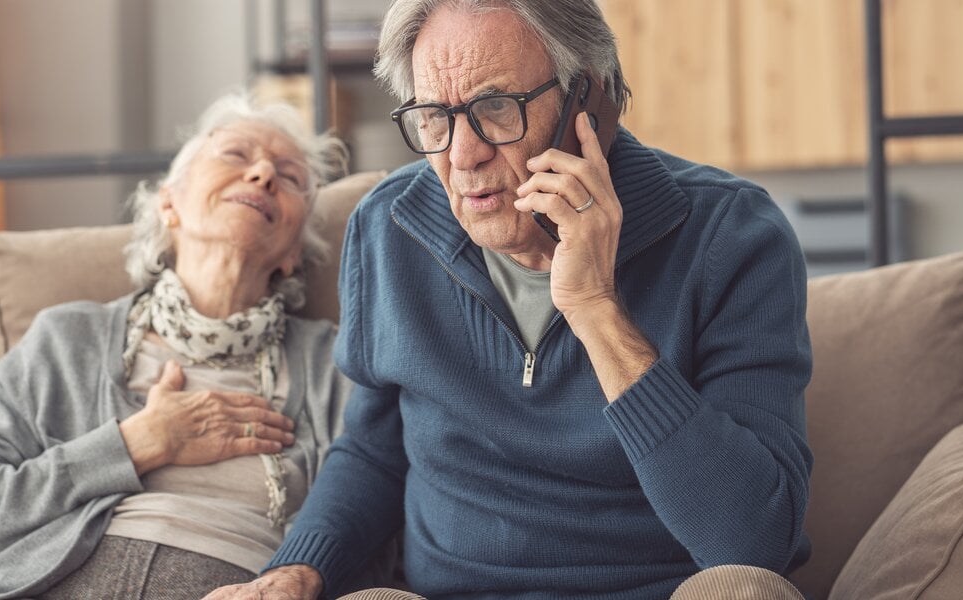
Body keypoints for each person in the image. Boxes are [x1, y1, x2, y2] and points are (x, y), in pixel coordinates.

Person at [207, 1, 813, 598]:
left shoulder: (731, 234)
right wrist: (294, 572)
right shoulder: (387, 230)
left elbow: (752, 541)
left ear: (588, 103)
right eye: (433, 117)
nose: (462, 155)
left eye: (495, 108)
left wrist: (597, 307)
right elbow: (373, 453)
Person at [0, 91, 364, 599]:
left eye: (289, 178)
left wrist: (295, 577)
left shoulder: (333, 368)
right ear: (169, 202)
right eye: (235, 155)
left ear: (294, 252)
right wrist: (139, 442)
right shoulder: (67, 341)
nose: (263, 175)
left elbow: (372, 521)